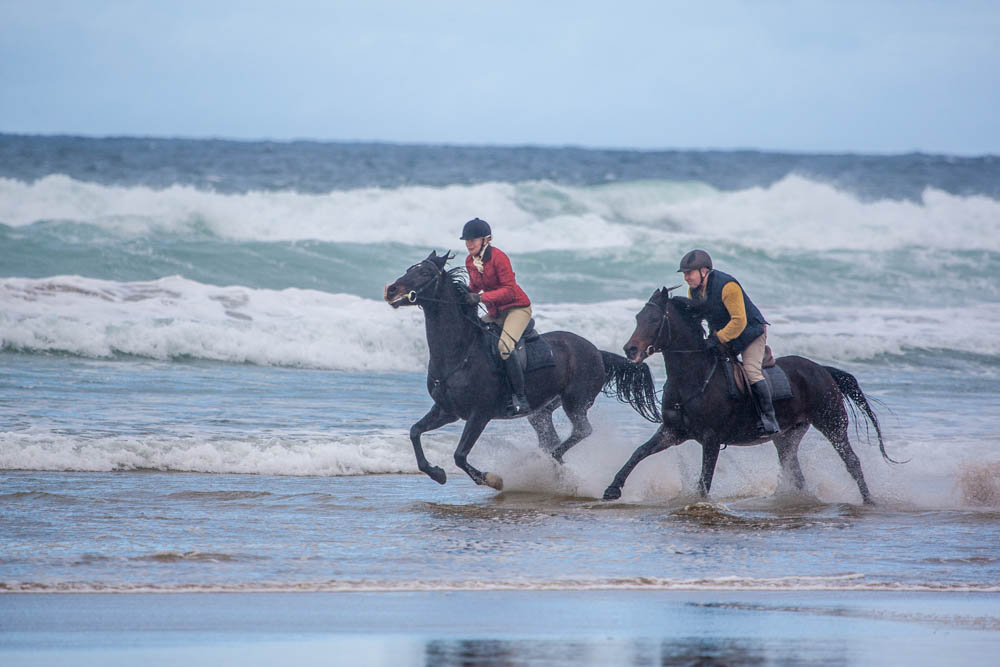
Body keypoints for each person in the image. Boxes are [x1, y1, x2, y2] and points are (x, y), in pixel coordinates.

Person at [678, 249, 780, 435]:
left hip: (750, 333)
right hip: (727, 334)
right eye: (684, 273)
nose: (686, 277)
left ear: (703, 271)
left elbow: (739, 321)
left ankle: (769, 419)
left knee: (751, 371)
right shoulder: (694, 291)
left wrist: (717, 338)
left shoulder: (727, 286)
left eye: (689, 273)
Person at [461, 217, 533, 415]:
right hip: (496, 312)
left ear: (487, 240)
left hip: (516, 309)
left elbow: (509, 290)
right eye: (467, 241)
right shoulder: (470, 261)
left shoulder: (499, 258)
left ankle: (520, 397)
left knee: (504, 347)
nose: (469, 244)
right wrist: (463, 295)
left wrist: (481, 297)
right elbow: (474, 287)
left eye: (473, 240)